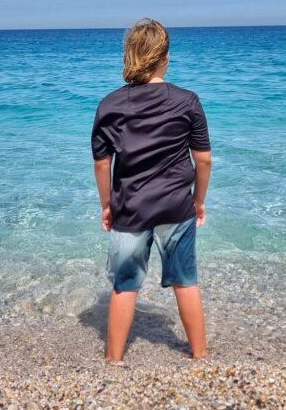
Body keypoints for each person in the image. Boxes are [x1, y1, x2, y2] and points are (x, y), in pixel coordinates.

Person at [91, 18, 212, 362]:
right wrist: (198, 201)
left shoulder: (110, 105)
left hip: (130, 207)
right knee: (185, 280)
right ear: (164, 57)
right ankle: (200, 357)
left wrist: (106, 205)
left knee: (125, 284)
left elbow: (103, 165)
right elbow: (203, 160)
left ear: (131, 55)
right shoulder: (187, 101)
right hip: (176, 204)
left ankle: (114, 361)